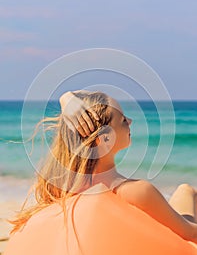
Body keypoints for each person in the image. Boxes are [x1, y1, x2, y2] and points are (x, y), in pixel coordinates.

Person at [10, 89, 197, 244]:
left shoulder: (67, 192)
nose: (130, 122)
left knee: (185, 190)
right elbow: (189, 234)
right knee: (188, 192)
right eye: (123, 120)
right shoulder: (136, 192)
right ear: (104, 138)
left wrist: (66, 97)